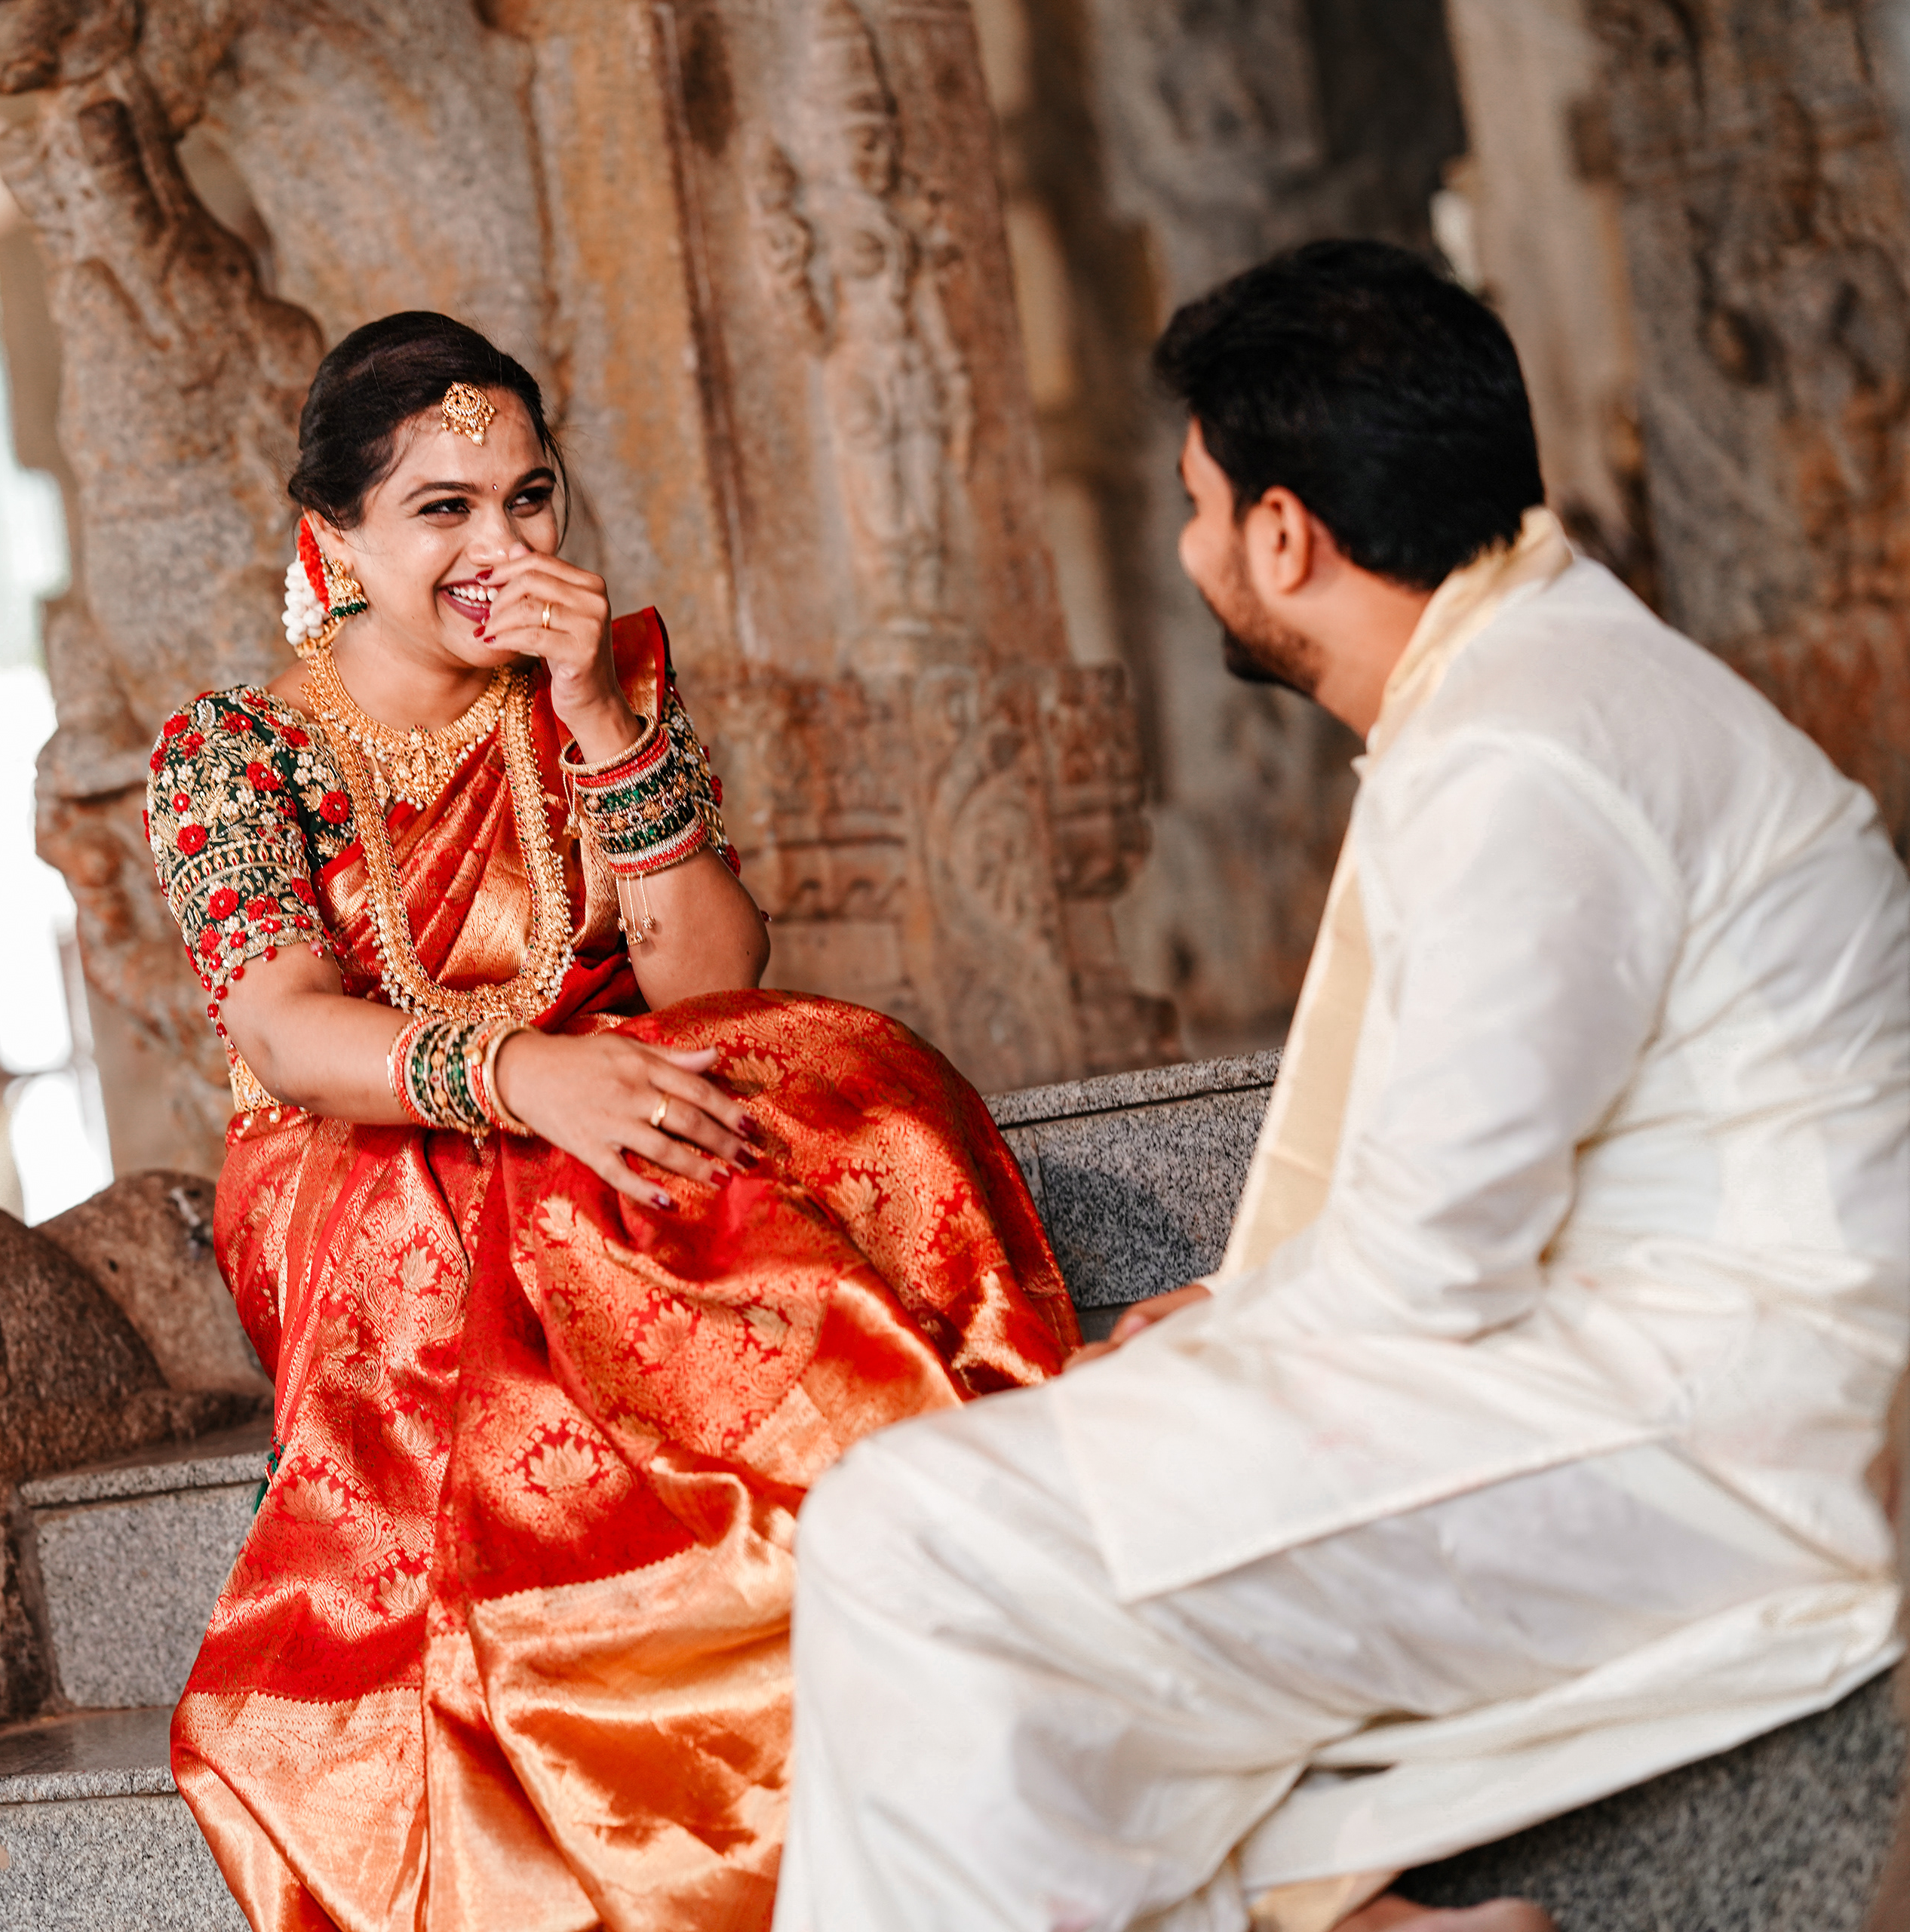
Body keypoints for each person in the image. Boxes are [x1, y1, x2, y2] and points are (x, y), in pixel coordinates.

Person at [776, 239, 1910, 1932]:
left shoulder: (1523, 750)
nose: (1190, 548)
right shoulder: (1543, 678)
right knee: (964, 1558)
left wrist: (1235, 1332)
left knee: (912, 1538)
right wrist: (1241, 1316)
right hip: (1652, 1374)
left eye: (1199, 507)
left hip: (1710, 1438)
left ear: (1286, 536)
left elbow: (1434, 1264)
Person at [144, 310, 1080, 1930]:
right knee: (588, 1184)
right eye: (443, 509)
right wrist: (528, 1078)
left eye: (530, 497)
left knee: (833, 1078)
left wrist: (595, 711)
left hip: (610, 1088)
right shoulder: (235, 749)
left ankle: (890, 1491)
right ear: (335, 539)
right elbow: (285, 1034)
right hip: (361, 1164)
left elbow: (707, 978)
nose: (501, 546)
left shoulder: (602, 676)